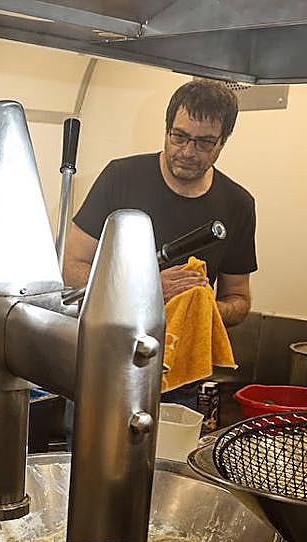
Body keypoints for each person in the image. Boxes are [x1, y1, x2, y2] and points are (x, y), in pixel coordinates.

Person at [63, 80, 256, 405]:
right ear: (166, 129)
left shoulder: (238, 204)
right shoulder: (121, 177)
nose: (188, 151)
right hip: (103, 362)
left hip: (181, 380)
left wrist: (201, 305)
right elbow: (72, 268)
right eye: (179, 136)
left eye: (204, 142)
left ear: (223, 141)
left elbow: (239, 300)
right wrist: (147, 292)